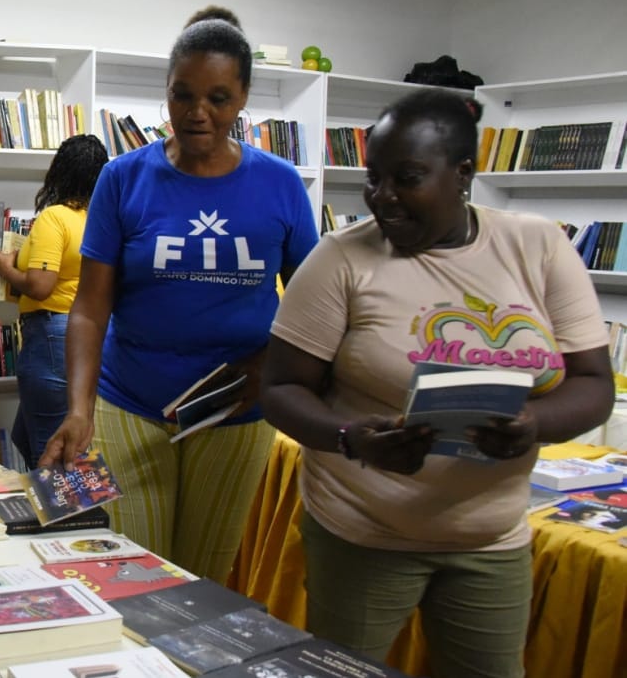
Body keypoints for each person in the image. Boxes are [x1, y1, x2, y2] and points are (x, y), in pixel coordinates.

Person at [260, 88, 614, 678]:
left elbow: (593, 381)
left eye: (408, 178)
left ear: (463, 175)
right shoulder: (340, 259)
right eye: (374, 178)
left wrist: (534, 426)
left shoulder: (539, 247)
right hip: (364, 535)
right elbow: (280, 389)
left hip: (491, 539)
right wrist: (351, 438)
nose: (383, 197)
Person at [39, 6, 319, 583]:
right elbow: (91, 308)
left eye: (218, 98)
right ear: (165, 92)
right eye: (182, 95)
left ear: (243, 98)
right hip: (128, 402)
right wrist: (77, 408)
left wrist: (272, 364)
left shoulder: (281, 184)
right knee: (130, 574)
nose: (197, 113)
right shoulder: (123, 178)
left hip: (235, 413)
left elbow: (318, 304)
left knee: (204, 581)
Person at [0, 134, 109, 466]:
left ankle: (63, 518)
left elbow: (41, 286)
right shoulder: (100, 221)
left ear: (60, 170)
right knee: (27, 437)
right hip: (88, 336)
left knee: (53, 453)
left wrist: (5, 268)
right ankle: (48, 512)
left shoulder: (54, 217)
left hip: (52, 333)